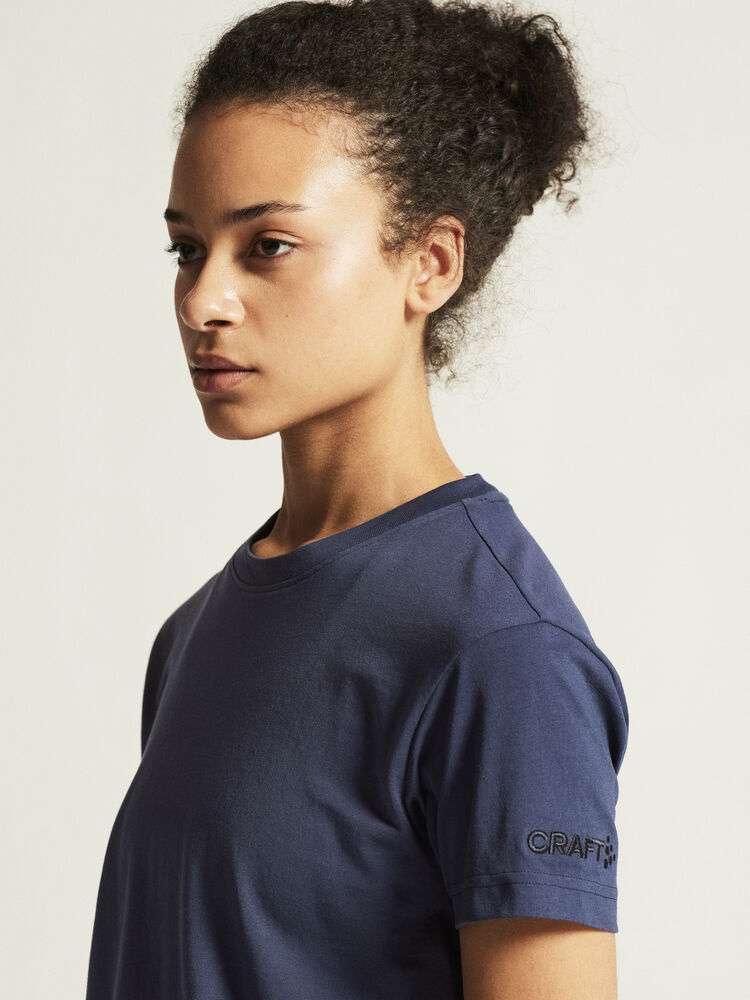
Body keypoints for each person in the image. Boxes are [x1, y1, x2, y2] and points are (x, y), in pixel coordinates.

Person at [85, 1, 629, 997]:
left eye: (268, 246)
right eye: (187, 249)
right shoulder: (196, 632)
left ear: (429, 263)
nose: (204, 300)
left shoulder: (502, 653)